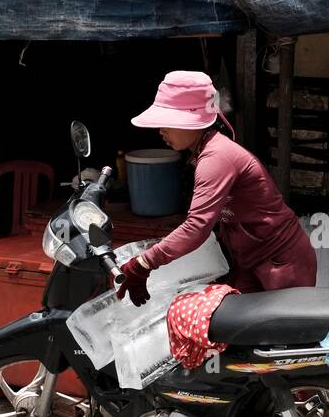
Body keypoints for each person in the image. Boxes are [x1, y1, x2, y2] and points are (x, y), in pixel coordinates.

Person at [116, 71, 317, 304]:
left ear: (193, 121)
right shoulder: (205, 151)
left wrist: (144, 263)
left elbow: (196, 227)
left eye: (167, 122)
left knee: (285, 337)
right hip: (249, 262)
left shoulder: (216, 157)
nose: (161, 130)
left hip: (282, 263)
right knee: (234, 333)